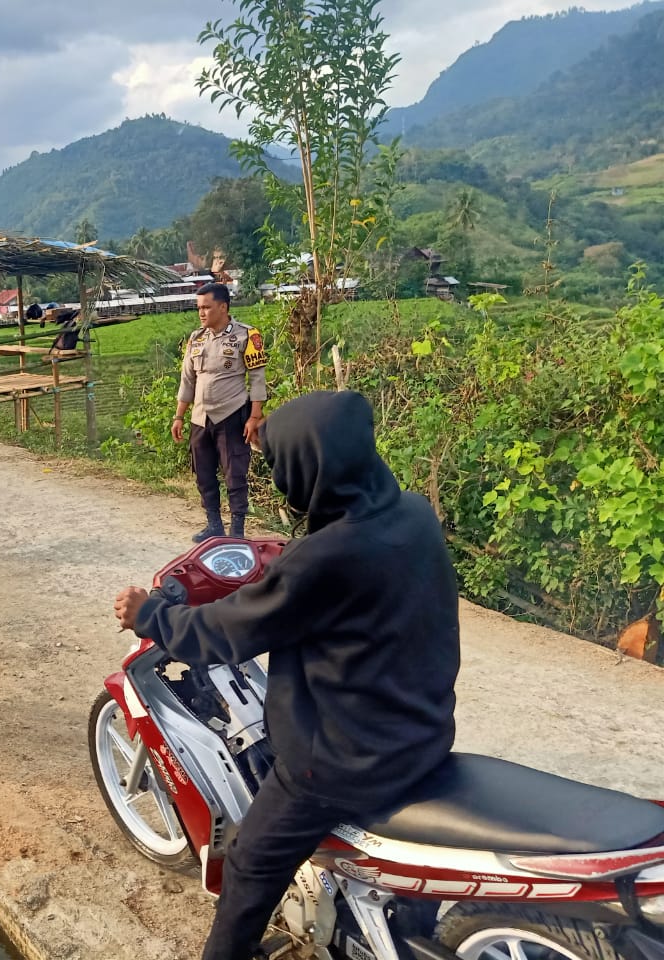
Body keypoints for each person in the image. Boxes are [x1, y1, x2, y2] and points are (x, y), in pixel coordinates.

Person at [114, 390, 460, 960]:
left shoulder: (323, 560)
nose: (279, 480)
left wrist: (152, 615)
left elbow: (228, 631)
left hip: (343, 761)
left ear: (310, 468)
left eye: (281, 466)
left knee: (249, 862)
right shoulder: (413, 514)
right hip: (424, 732)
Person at [173, 282, 268, 541]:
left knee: (234, 474)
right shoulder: (196, 338)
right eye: (199, 308)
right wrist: (179, 416)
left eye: (206, 307)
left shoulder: (247, 336)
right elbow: (187, 381)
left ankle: (237, 530)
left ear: (223, 307)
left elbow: (257, 380)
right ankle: (214, 524)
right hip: (200, 417)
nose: (201, 313)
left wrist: (254, 417)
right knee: (203, 474)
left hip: (232, 414)